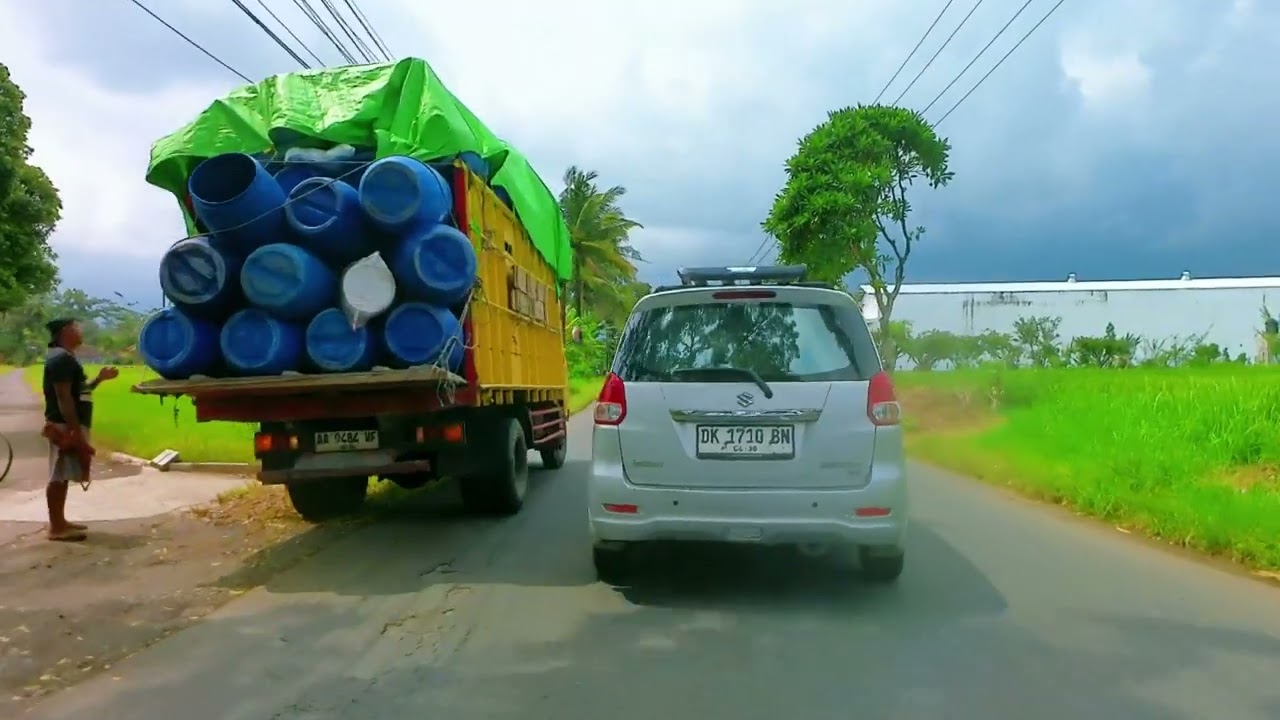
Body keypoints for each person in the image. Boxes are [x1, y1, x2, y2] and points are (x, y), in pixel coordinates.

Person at [42, 318, 118, 541]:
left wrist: (99, 380)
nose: (80, 331)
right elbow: (63, 397)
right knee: (58, 474)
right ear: (66, 331)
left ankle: (60, 521)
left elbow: (79, 391)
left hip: (70, 423)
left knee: (63, 473)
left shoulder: (66, 358)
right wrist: (74, 431)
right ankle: (56, 527)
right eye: (77, 327)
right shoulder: (61, 360)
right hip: (64, 424)